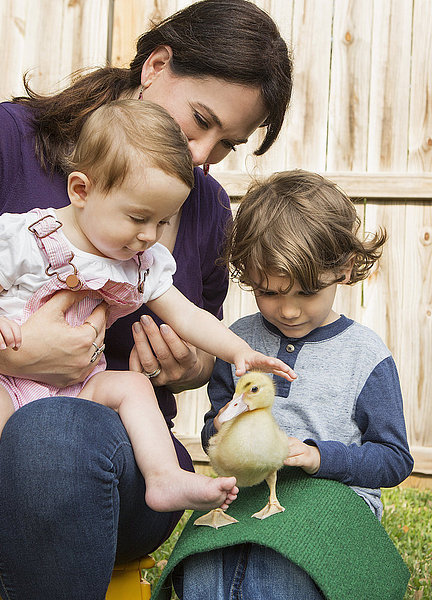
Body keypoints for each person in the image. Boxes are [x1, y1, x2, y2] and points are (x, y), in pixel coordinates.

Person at [0, 1, 293, 598]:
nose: (204, 155)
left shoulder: (202, 201)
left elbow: (197, 335)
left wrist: (189, 366)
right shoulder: (8, 140)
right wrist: (18, 353)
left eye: (227, 143)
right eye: (200, 120)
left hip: (98, 473)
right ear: (156, 66)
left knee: (54, 434)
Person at [0, 100, 299, 582]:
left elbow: (187, 314)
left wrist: (237, 351)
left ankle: (163, 478)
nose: (149, 236)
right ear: (81, 190)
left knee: (131, 387)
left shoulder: (139, 261)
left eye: (161, 222)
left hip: (70, 389)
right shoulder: (31, 235)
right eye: (138, 218)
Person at [174, 170, 414, 600]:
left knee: (277, 570)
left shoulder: (365, 354)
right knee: (203, 567)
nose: (287, 310)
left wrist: (318, 456)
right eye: (268, 292)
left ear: (343, 269)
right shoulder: (238, 342)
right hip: (248, 488)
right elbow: (215, 424)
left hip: (332, 493)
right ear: (246, 274)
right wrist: (223, 430)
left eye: (305, 292)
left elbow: (394, 460)